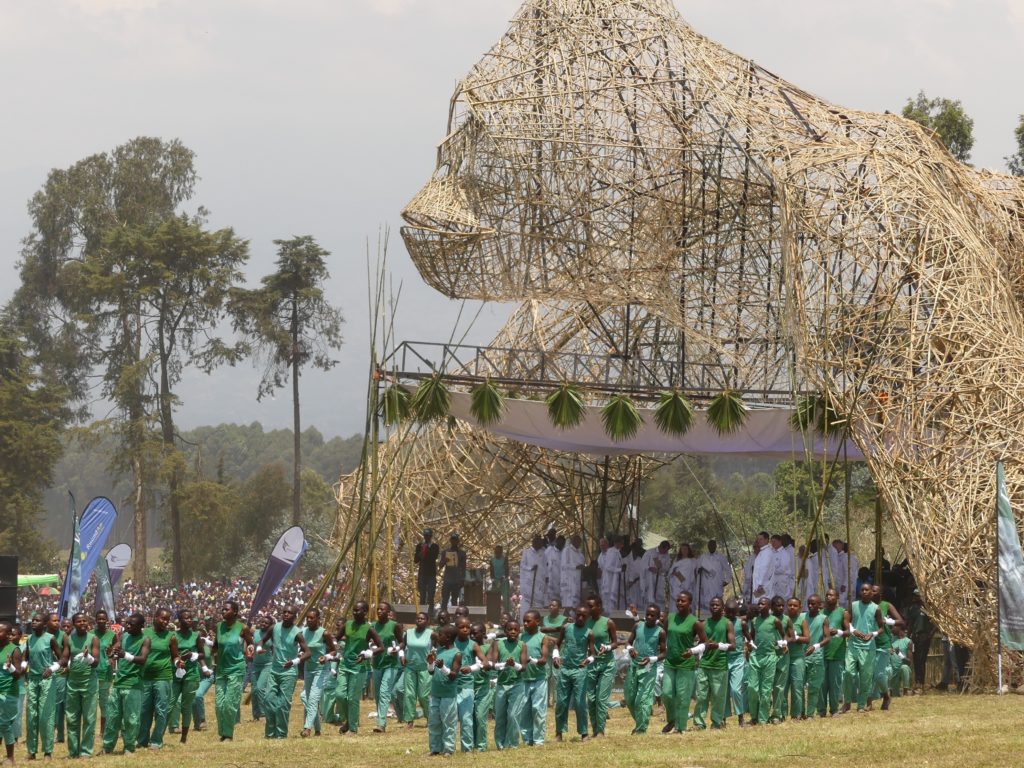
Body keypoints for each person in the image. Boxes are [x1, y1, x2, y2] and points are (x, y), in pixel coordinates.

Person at [103, 612, 150, 755]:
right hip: (118, 682)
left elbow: (142, 659)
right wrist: (111, 652)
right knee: (112, 717)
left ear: (141, 626)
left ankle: (129, 747)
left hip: (133, 684)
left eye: (131, 624)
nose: (127, 625)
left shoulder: (145, 640)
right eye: (127, 623)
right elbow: (115, 649)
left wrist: (125, 655)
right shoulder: (124, 636)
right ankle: (107, 747)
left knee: (131, 719)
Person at [333, 600, 380, 735]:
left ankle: (352, 728)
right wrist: (333, 646)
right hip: (344, 664)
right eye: (353, 610)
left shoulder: (369, 628)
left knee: (353, 698)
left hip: (359, 668)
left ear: (365, 612)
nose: (354, 612)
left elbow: (381, 647)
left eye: (358, 610)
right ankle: (347, 720)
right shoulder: (347, 625)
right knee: (340, 695)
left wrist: (368, 653)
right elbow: (336, 638)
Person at [661, 591, 706, 733]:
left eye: (683, 601)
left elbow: (706, 642)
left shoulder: (695, 622)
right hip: (670, 662)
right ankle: (672, 719)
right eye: (678, 600)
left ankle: (680, 728)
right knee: (666, 694)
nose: (680, 603)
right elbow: (663, 635)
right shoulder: (670, 618)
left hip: (686, 665)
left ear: (690, 603)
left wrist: (692, 651)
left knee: (682, 696)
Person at [210, 600, 253, 742]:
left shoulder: (243, 628)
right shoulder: (219, 627)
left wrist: (251, 650)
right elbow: (216, 646)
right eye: (222, 609)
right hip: (221, 670)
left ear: (235, 612)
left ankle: (228, 734)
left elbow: (250, 643)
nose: (223, 612)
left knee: (230, 703)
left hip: (236, 669)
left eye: (226, 609)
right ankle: (222, 732)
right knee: (219, 704)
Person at [262, 605, 308, 739]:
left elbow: (308, 652)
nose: (286, 614)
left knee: (282, 704)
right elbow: (262, 640)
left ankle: (281, 734)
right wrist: (257, 646)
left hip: (289, 673)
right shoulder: (274, 628)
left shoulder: (297, 633)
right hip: (274, 671)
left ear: (295, 616)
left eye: (289, 613)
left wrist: (294, 662)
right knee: (268, 700)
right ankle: (270, 734)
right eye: (284, 612)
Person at [25, 611, 63, 759]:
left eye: (37, 620)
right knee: (31, 716)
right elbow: (26, 657)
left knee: (45, 715)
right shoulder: (29, 639)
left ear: (44, 623)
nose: (34, 622)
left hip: (47, 680)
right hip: (32, 680)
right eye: (32, 620)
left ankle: (48, 751)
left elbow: (62, 659)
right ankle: (31, 751)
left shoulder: (50, 639)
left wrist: (52, 668)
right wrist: (20, 667)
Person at [138, 607, 178, 749]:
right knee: (144, 710)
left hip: (163, 677)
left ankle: (156, 740)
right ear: (155, 617)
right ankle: (142, 740)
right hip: (145, 678)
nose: (165, 621)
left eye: (167, 619)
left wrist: (179, 662)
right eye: (162, 618)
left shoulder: (171, 636)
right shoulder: (144, 633)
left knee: (161, 710)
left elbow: (175, 656)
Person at [553, 605, 593, 741]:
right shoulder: (566, 628)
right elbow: (557, 644)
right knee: (561, 702)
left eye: (584, 616)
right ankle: (559, 732)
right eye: (578, 615)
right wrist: (555, 656)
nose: (580, 618)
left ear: (588, 618)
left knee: (580, 702)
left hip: (580, 670)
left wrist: (588, 660)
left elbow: (592, 653)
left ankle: (584, 732)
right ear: (575, 614)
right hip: (565, 669)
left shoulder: (589, 632)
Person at [63, 612, 100, 757]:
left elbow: (96, 662)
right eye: (79, 621)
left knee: (89, 719)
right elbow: (64, 658)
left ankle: (85, 751)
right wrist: (54, 667)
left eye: (84, 621)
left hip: (89, 682)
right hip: (73, 682)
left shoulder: (93, 639)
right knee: (72, 718)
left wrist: (88, 657)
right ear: (74, 624)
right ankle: (73, 752)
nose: (82, 623)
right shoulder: (69, 639)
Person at [842, 583, 883, 714]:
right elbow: (846, 620)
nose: (865, 592)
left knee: (865, 677)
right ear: (860, 592)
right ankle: (847, 703)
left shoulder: (876, 608)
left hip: (868, 647)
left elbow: (882, 627)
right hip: (853, 645)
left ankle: (861, 705)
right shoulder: (853, 605)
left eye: (867, 590)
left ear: (872, 593)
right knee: (848, 672)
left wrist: (873, 634)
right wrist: (853, 630)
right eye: (862, 590)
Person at [693, 596, 733, 730]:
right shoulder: (704, 624)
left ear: (722, 608)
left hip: (720, 665)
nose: (714, 607)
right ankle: (699, 723)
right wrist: (697, 655)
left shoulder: (727, 623)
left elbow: (733, 645)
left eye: (717, 605)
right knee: (701, 695)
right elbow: (700, 643)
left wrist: (718, 646)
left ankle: (716, 722)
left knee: (718, 697)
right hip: (704, 664)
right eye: (712, 605)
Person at [624, 604, 664, 734]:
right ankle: (640, 722)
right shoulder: (638, 626)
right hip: (634, 667)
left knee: (642, 700)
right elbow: (628, 642)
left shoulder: (660, 632)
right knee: (630, 699)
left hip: (648, 669)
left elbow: (664, 653)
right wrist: (630, 649)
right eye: (647, 614)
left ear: (657, 617)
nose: (649, 617)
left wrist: (652, 659)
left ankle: (641, 729)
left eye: (653, 615)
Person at [169, 609, 206, 743]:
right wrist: (178, 660)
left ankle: (184, 737)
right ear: (179, 620)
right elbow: (170, 654)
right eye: (186, 618)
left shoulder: (196, 635)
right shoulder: (172, 635)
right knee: (170, 703)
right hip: (175, 673)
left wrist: (192, 655)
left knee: (186, 706)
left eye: (191, 618)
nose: (189, 620)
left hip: (191, 674)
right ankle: (160, 735)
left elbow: (202, 654)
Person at [746, 596, 783, 726]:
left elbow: (783, 636)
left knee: (766, 690)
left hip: (770, 657)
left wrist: (781, 646)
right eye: (759, 604)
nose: (760, 606)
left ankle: (762, 718)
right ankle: (754, 716)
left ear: (769, 607)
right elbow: (752, 635)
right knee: (752, 687)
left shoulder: (775, 621)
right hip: (756, 656)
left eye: (763, 604)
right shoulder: (755, 621)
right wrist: (750, 645)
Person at [584, 594, 617, 736]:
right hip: (592, 664)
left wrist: (608, 647)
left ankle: (600, 730)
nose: (588, 609)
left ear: (599, 607)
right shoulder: (585, 623)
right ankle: (594, 728)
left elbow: (615, 642)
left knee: (601, 698)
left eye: (591, 606)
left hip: (607, 664)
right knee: (591, 698)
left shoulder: (608, 622)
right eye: (587, 606)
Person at [489, 619, 524, 750]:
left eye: (516, 629)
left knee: (513, 715)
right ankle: (500, 744)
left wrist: (514, 664)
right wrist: (505, 664)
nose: (513, 632)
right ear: (505, 631)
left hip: (517, 685)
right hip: (502, 685)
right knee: (500, 716)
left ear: (519, 632)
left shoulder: (522, 645)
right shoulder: (498, 644)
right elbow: (493, 664)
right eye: (510, 629)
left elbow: (523, 667)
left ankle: (513, 743)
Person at [426, 625, 461, 756]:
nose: (437, 637)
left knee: (448, 722)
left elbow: (453, 675)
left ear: (448, 637)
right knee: (434, 721)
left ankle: (448, 749)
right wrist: (430, 663)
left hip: (448, 694)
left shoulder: (456, 654)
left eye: (440, 635)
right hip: (435, 693)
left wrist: (443, 667)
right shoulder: (438, 651)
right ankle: (435, 748)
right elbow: (431, 673)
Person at [452, 617, 486, 752]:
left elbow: (485, 662)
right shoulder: (450, 644)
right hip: (451, 686)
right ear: (456, 628)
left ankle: (467, 748)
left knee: (466, 719)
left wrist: (471, 668)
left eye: (467, 627)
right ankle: (449, 747)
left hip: (466, 686)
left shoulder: (473, 645)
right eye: (461, 627)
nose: (465, 629)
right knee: (451, 720)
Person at [869, 583, 903, 711]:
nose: (871, 593)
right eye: (870, 590)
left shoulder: (886, 606)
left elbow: (901, 621)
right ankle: (869, 702)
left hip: (884, 644)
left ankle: (886, 695)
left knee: (878, 674)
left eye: (874, 591)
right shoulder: (866, 606)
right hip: (869, 643)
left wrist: (888, 621)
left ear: (880, 594)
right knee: (869, 674)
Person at [517, 610, 549, 746]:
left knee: (538, 709)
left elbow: (544, 658)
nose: (525, 623)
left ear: (537, 622)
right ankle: (526, 738)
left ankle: (538, 740)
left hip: (539, 679)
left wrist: (536, 660)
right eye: (524, 621)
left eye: (528, 621)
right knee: (524, 710)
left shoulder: (543, 637)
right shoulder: (520, 637)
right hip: (524, 679)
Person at [370, 602, 402, 734]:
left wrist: (398, 649)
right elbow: (368, 642)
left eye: (382, 609)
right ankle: (381, 717)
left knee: (384, 692)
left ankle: (381, 723)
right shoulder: (372, 626)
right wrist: (371, 648)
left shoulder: (394, 626)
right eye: (378, 609)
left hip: (391, 664)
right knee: (377, 694)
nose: (379, 611)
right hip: (377, 663)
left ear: (388, 612)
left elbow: (402, 641)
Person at [820, 587, 848, 717]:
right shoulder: (820, 613)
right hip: (822, 653)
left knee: (835, 683)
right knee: (821, 683)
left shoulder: (843, 612)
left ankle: (834, 709)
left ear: (837, 598)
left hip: (837, 653)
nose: (828, 597)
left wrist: (838, 632)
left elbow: (849, 632)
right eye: (827, 595)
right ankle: (820, 710)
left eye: (831, 595)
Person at [802, 594, 830, 718]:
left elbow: (827, 638)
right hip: (801, 656)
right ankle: (799, 712)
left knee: (814, 687)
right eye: (809, 603)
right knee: (799, 686)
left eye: (813, 604)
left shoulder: (823, 618)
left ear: (820, 605)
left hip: (816, 656)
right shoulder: (802, 617)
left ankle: (810, 714)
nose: (810, 606)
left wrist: (816, 646)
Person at [402, 611, 432, 728]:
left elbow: (439, 647)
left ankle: (430, 718)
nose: (419, 620)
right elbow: (403, 645)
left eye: (422, 618)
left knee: (424, 695)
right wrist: (401, 654)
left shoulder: (431, 634)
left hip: (424, 668)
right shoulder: (408, 633)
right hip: (410, 667)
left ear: (427, 621)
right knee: (409, 694)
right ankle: (409, 720)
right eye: (418, 618)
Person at [0, 621, 24, 764]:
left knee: (4, 724)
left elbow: (19, 674)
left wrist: (10, 667)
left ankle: (10, 757)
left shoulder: (14, 650)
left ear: (8, 635)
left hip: (8, 692)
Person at [469, 623, 493, 752]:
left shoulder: (488, 647)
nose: (472, 635)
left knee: (480, 716)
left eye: (475, 633)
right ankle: (472, 743)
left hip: (483, 687)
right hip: (469, 686)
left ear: (483, 634)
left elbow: (487, 664)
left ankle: (481, 745)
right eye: (471, 633)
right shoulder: (468, 647)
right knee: (470, 717)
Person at [723, 598, 747, 727]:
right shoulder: (722, 622)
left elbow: (749, 636)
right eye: (728, 612)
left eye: (733, 612)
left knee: (736, 690)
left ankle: (740, 716)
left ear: (737, 611)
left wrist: (750, 645)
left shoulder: (741, 623)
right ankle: (723, 718)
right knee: (724, 690)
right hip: (724, 658)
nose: (731, 615)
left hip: (737, 659)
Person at [783, 597, 808, 721]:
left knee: (797, 686)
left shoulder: (802, 620)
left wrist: (795, 638)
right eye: (790, 605)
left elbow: (807, 639)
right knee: (782, 687)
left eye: (795, 605)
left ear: (800, 607)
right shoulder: (783, 620)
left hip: (797, 658)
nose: (792, 607)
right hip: (784, 657)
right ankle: (782, 714)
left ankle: (797, 714)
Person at [93, 610, 116, 736]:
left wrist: (112, 656)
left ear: (107, 620)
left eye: (103, 619)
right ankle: (90, 729)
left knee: (104, 703)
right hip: (92, 673)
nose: (101, 621)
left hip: (105, 673)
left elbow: (117, 646)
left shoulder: (111, 635)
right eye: (99, 618)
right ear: (96, 620)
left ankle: (103, 731)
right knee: (91, 703)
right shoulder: (91, 634)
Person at [248, 615, 273, 723]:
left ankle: (263, 714)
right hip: (255, 664)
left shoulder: (272, 634)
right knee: (253, 691)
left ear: (270, 625)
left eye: (266, 623)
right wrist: (250, 647)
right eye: (262, 622)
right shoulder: (256, 632)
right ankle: (256, 715)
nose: (263, 624)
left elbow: (275, 648)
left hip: (267, 664)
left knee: (260, 688)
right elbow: (251, 643)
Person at [696, 541, 730, 616]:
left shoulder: (721, 557)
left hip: (717, 584)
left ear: (715, 546)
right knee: (705, 603)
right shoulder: (703, 557)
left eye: (713, 545)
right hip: (706, 584)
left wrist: (727, 580)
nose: (711, 547)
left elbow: (727, 569)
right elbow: (697, 568)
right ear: (708, 546)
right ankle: (704, 619)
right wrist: (699, 570)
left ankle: (718, 619)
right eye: (710, 545)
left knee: (717, 602)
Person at [414, 529, 440, 618]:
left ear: (431, 536)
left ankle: (430, 615)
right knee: (422, 596)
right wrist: (421, 552)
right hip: (422, 574)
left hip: (431, 574)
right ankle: (422, 615)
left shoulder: (435, 546)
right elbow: (415, 560)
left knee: (431, 596)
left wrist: (427, 549)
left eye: (428, 536)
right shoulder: (419, 546)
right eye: (425, 535)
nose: (427, 537)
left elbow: (434, 557)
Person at [642, 541, 673, 612]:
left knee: (659, 598)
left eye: (667, 551)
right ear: (660, 547)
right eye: (664, 550)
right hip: (649, 578)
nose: (665, 552)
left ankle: (659, 614)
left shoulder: (667, 555)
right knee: (650, 596)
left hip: (659, 579)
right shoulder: (650, 552)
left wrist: (662, 568)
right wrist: (649, 568)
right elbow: (643, 565)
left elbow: (667, 568)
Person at [519, 536, 546, 618]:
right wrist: (530, 568)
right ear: (534, 543)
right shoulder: (526, 552)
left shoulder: (543, 553)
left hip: (540, 583)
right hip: (529, 582)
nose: (541, 544)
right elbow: (522, 565)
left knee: (538, 604)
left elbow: (546, 566)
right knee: (527, 603)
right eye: (539, 542)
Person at [441, 534, 467, 611]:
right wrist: (444, 561)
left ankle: (454, 616)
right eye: (452, 539)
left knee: (454, 600)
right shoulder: (445, 552)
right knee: (445, 599)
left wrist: (462, 579)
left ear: (458, 541)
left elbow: (463, 567)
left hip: (457, 579)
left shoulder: (462, 553)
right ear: (450, 541)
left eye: (455, 540)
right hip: (447, 579)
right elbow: (440, 565)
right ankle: (443, 614)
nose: (454, 541)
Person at [668, 544, 697, 608]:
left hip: (688, 586)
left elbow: (693, 573)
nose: (684, 550)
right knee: (675, 606)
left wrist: (681, 577)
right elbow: (671, 571)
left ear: (688, 550)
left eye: (686, 549)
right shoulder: (677, 559)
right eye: (682, 549)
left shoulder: (692, 560)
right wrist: (675, 574)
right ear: (680, 550)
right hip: (676, 585)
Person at [560, 535, 585, 609]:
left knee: (576, 606)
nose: (578, 543)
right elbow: (564, 565)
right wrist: (575, 566)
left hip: (577, 583)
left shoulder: (581, 555)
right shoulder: (567, 551)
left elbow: (583, 567)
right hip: (568, 583)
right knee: (568, 605)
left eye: (579, 542)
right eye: (576, 541)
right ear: (572, 541)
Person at [751, 532, 775, 600]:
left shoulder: (767, 552)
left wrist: (760, 584)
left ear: (766, 540)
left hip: (762, 585)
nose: (759, 541)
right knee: (758, 602)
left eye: (761, 539)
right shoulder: (762, 552)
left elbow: (765, 568)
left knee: (762, 603)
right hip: (759, 584)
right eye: (758, 539)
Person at [489, 546, 511, 614]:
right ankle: (494, 614)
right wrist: (493, 580)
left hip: (504, 581)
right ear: (494, 551)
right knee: (494, 598)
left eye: (499, 551)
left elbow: (507, 572)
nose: (497, 553)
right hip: (495, 581)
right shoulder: (492, 560)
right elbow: (491, 572)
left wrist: (502, 579)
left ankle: (507, 614)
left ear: (501, 552)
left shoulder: (504, 559)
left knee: (506, 599)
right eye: (496, 551)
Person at [544, 536, 564, 605]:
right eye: (560, 543)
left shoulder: (564, 553)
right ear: (556, 542)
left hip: (560, 580)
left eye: (563, 544)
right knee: (550, 600)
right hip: (550, 580)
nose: (561, 545)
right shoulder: (549, 550)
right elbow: (544, 563)